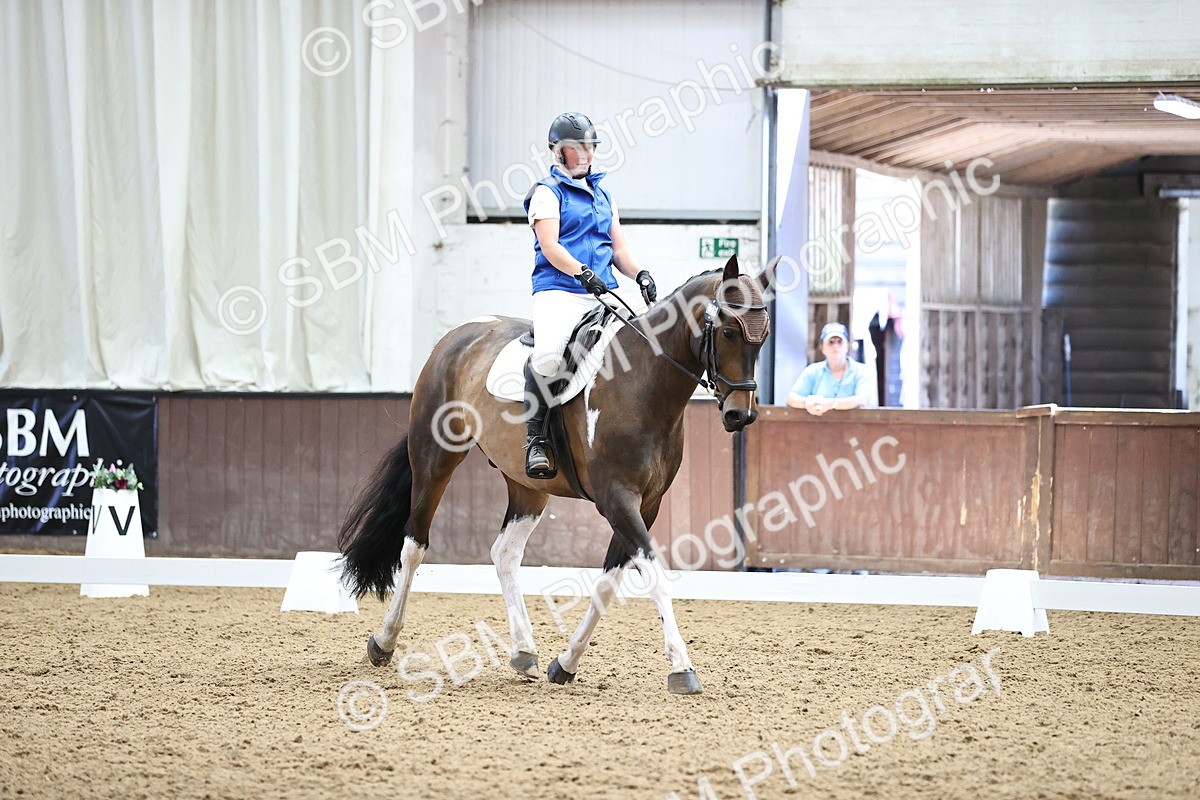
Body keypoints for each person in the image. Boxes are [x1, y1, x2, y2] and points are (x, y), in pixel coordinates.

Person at [521, 111, 657, 479]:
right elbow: (549, 246)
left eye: (589, 146)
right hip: (559, 290)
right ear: (558, 151)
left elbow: (619, 249)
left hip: (604, 291)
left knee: (641, 348)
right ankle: (536, 439)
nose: (584, 153)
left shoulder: (604, 194)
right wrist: (583, 273)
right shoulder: (547, 193)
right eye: (576, 147)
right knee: (549, 358)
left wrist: (640, 273)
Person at [786, 322, 873, 415]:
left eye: (840, 342)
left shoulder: (861, 371)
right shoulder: (812, 371)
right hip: (818, 426)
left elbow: (862, 399)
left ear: (847, 346)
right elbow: (791, 398)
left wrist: (830, 404)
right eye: (831, 342)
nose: (835, 346)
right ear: (822, 347)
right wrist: (808, 402)